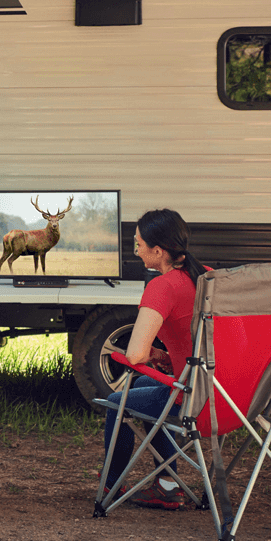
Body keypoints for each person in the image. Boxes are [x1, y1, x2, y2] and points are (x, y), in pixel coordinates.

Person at [99, 207, 211, 509]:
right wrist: (165, 355)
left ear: (158, 250)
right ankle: (167, 484)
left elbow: (134, 354)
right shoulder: (209, 277)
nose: (136, 251)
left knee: (118, 401)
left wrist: (146, 354)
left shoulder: (162, 286)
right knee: (148, 391)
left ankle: (111, 485)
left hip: (194, 399)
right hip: (230, 394)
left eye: (139, 244)